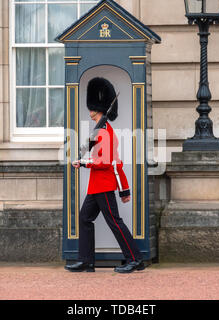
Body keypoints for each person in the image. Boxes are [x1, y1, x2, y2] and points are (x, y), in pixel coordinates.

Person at [64, 77, 144, 273]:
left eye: (92, 109)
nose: (90, 113)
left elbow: (105, 162)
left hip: (104, 184)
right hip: (97, 185)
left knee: (114, 222)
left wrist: (83, 162)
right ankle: (86, 261)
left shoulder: (104, 132)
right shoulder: (100, 130)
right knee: (84, 218)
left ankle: (135, 259)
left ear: (99, 109)